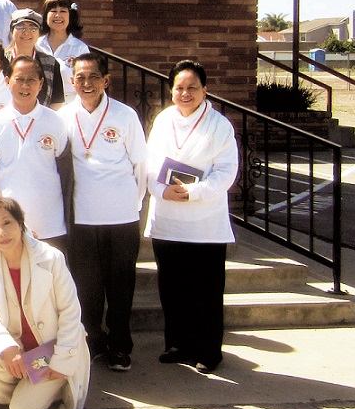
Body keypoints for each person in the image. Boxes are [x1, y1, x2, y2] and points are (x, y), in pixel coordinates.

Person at [146, 59, 238, 374]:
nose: (185, 93)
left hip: (204, 223)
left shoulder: (219, 125)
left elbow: (226, 171)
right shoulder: (163, 120)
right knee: (172, 289)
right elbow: (149, 163)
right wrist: (160, 190)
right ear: (171, 91)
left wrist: (194, 192)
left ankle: (208, 351)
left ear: (205, 90)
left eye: (192, 87)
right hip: (168, 220)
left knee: (206, 291)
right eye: (179, 88)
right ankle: (177, 344)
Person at [60, 53, 148, 372]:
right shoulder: (63, 117)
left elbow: (140, 166)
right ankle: (94, 341)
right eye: (80, 78)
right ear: (72, 82)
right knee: (87, 285)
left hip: (121, 215)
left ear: (106, 81)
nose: (87, 83)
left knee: (121, 284)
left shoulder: (125, 115)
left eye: (93, 77)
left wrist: (131, 203)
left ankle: (120, 345)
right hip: (82, 217)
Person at [0, 196, 89, 409]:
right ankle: (6, 395)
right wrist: (7, 348)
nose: (2, 233)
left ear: (20, 223)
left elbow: (70, 310)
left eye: (7, 223)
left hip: (50, 352)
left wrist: (62, 360)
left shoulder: (51, 258)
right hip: (20, 350)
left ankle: (52, 391)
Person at [0, 56, 71, 246]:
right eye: (19, 79)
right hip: (6, 226)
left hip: (50, 224)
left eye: (31, 80)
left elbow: (67, 176)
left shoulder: (56, 122)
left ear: (41, 83)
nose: (25, 86)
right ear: (7, 81)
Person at [7, 9, 66, 108]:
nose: (26, 32)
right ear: (12, 31)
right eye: (20, 27)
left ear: (39, 33)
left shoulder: (51, 63)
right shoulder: (0, 60)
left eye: (33, 28)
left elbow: (56, 102)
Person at [38, 0, 91, 103]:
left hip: (70, 104)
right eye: (53, 11)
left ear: (70, 16)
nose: (58, 15)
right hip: (41, 103)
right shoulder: (37, 44)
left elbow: (86, 79)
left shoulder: (80, 48)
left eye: (63, 11)